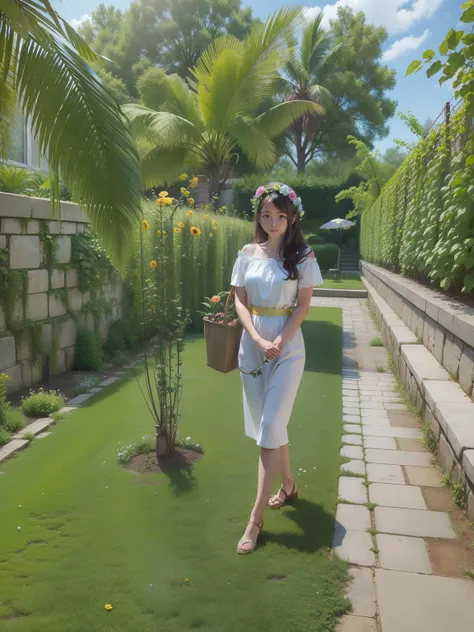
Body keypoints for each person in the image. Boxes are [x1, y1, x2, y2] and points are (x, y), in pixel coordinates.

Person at [230, 183, 323, 555]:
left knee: (270, 425)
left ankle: (255, 520)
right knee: (271, 423)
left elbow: (302, 305)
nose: (272, 222)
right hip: (253, 349)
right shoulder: (248, 253)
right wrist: (255, 337)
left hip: (287, 349)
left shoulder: (303, 255)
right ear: (258, 216)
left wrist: (280, 340)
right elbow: (239, 300)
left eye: (279, 216)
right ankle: (288, 485)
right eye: (266, 215)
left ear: (291, 217)